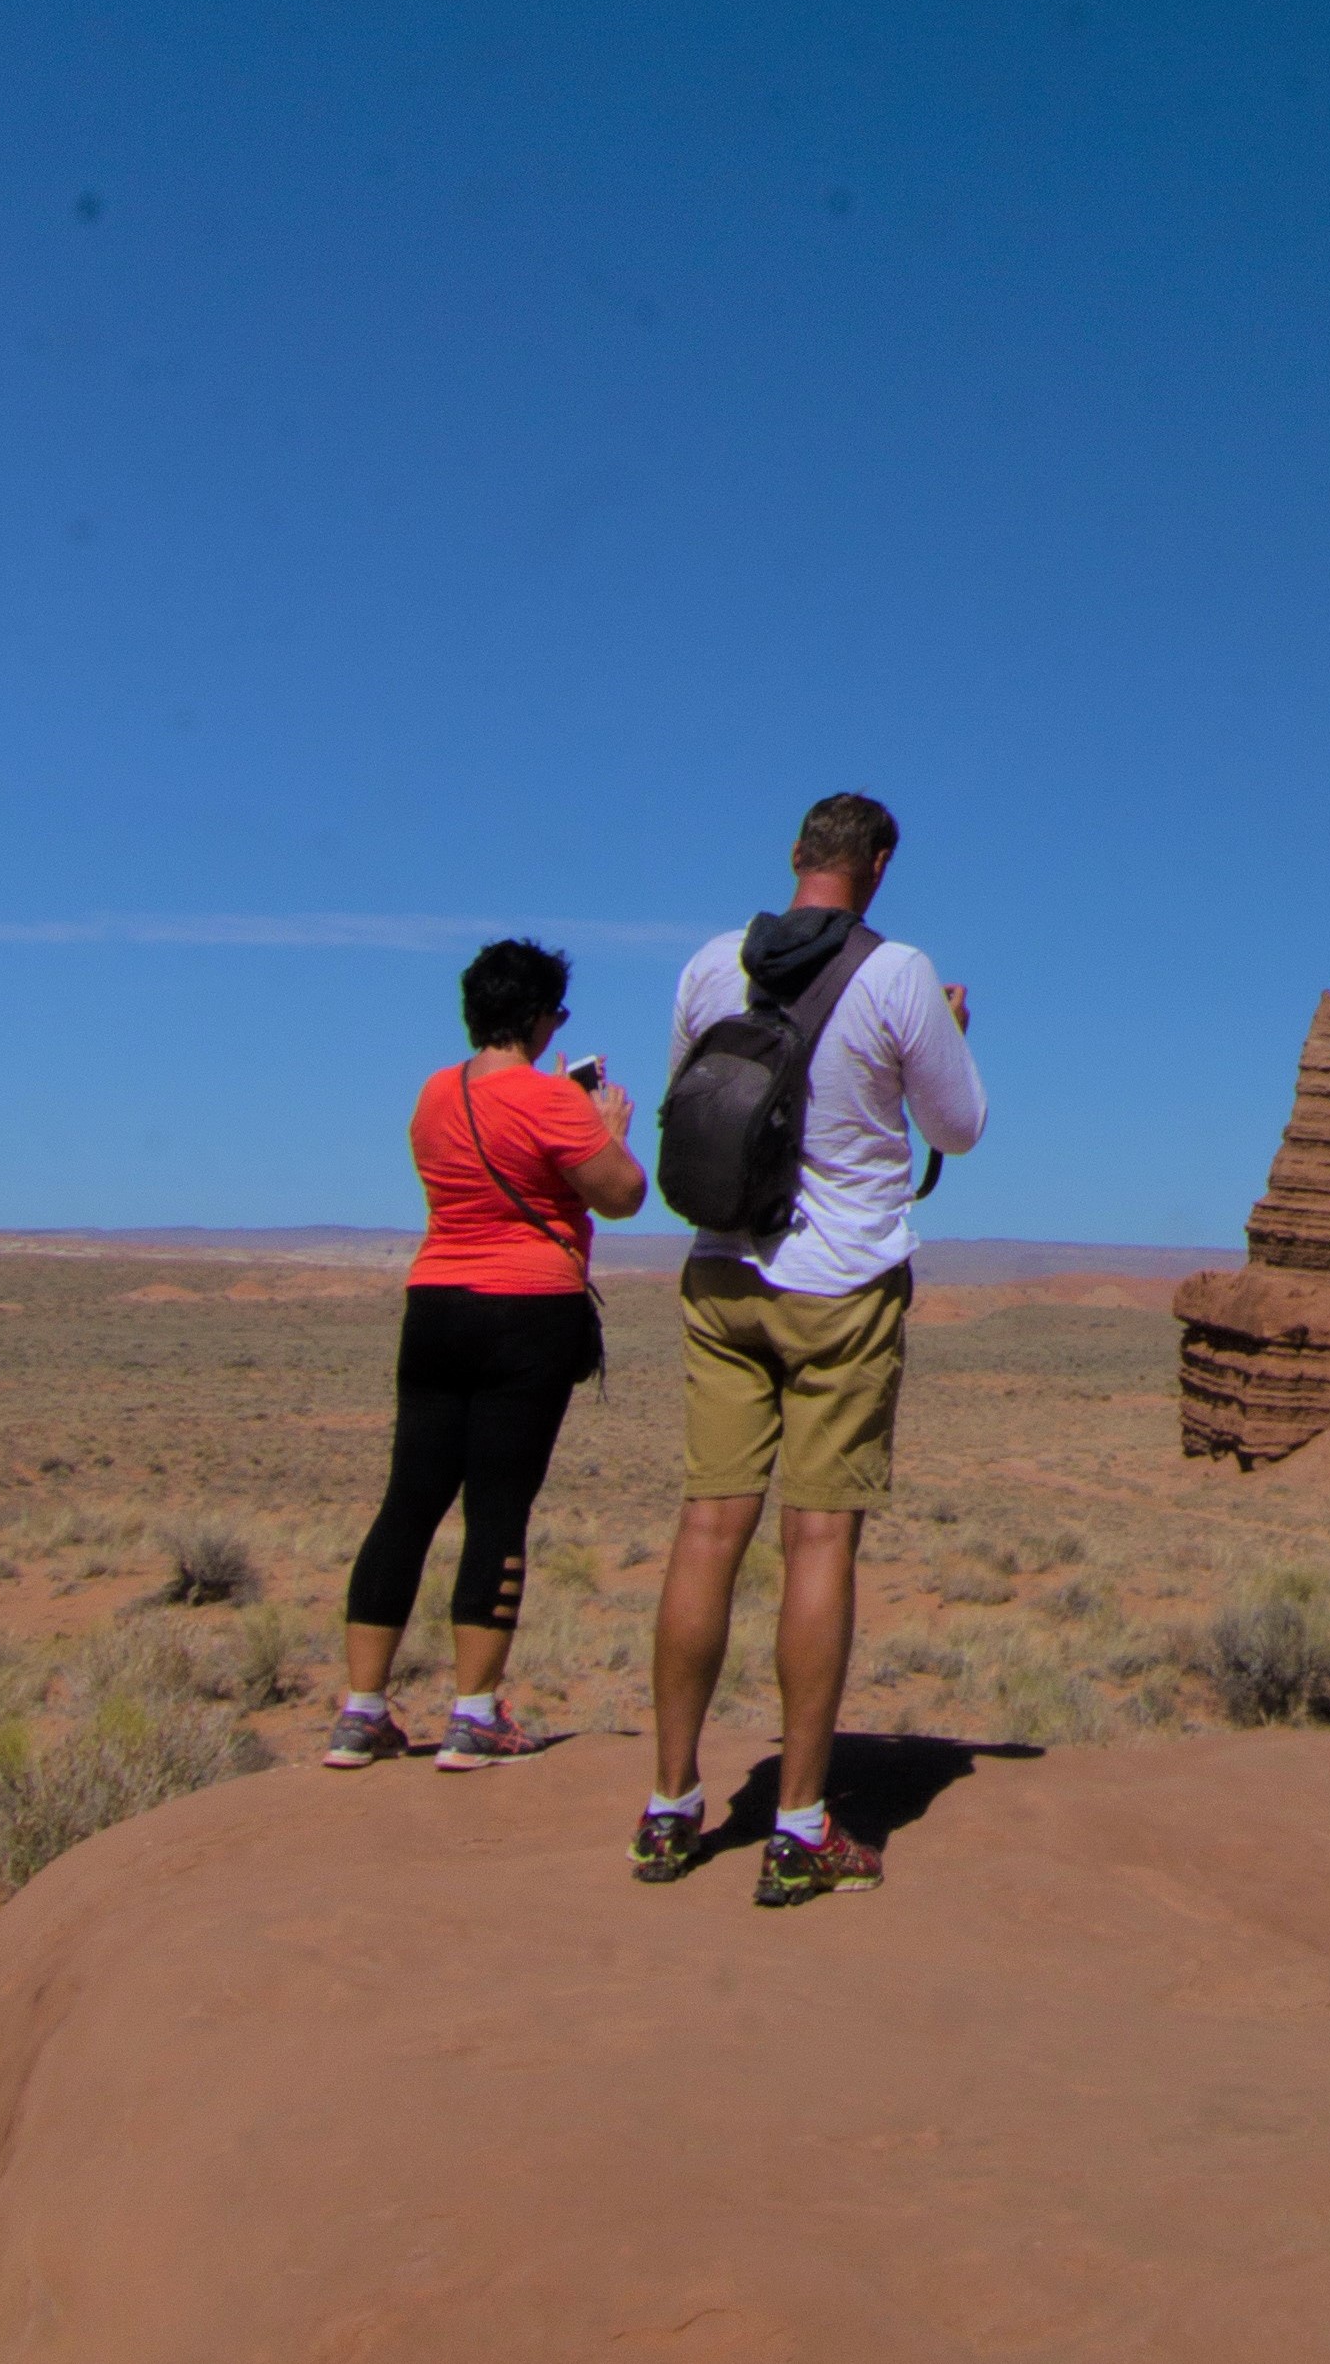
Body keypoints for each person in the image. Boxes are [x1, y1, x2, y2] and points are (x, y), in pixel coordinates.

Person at [637, 792, 986, 1902]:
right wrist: (952, 1031)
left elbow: (682, 1099)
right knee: (819, 1539)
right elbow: (960, 1127)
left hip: (721, 1272)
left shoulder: (710, 964)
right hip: (841, 1288)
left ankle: (669, 1809)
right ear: (878, 865)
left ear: (795, 855)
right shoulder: (899, 976)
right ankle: (798, 1828)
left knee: (707, 1528)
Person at [327, 938, 647, 1771]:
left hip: (435, 1303)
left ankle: (361, 1712)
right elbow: (622, 1194)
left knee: (408, 1502)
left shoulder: (436, 1092)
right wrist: (606, 1130)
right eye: (556, 1014)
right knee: (498, 1509)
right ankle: (474, 1714)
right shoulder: (553, 1100)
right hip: (528, 1311)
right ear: (539, 1016)